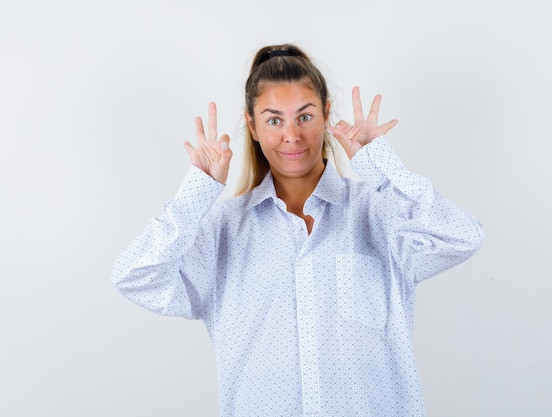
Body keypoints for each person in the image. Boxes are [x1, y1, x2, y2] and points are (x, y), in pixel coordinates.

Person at [111, 43, 484, 417]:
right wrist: (197, 192)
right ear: (252, 127)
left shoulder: (380, 210)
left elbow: (462, 237)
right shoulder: (222, 229)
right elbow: (135, 277)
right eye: (274, 120)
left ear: (325, 115)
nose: (292, 135)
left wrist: (380, 164)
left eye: (304, 117)